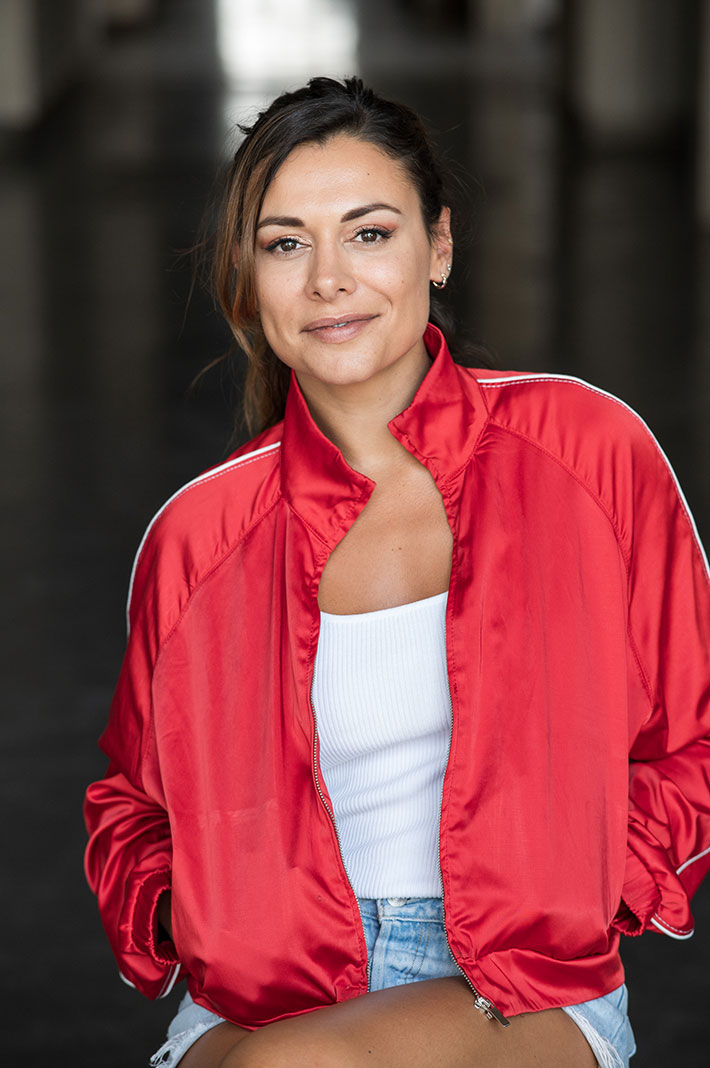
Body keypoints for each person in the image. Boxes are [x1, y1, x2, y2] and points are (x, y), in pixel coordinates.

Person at [84, 77, 710, 1068]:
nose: (329, 279)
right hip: (255, 993)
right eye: (286, 243)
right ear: (248, 279)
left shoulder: (589, 451)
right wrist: (199, 918)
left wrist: (599, 885)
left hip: (516, 985)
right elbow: (133, 806)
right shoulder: (195, 539)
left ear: (440, 245)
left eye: (368, 233)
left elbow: (692, 726)